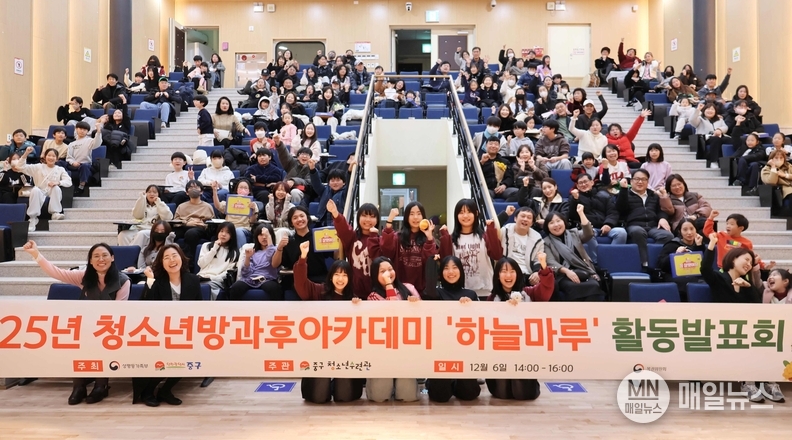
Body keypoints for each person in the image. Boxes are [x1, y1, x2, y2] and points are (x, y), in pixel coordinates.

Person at [23, 241, 129, 404]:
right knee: (77, 341)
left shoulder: (123, 280)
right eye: (96, 256)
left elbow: (119, 310)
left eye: (104, 255)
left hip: (110, 327)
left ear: (112, 258)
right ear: (90, 261)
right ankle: (78, 386)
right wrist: (36, 254)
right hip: (86, 325)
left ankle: (101, 385)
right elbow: (56, 272)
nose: (101, 259)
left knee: (103, 343)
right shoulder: (83, 276)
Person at [294, 240, 365, 403]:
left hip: (345, 351)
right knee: (318, 397)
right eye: (337, 274)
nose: (340, 279)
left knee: (344, 397)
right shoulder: (319, 290)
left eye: (345, 275)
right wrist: (303, 258)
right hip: (320, 349)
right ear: (331, 276)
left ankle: (335, 385)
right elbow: (301, 285)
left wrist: (358, 307)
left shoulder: (354, 298)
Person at [701, 235, 766, 403]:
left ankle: (761, 381)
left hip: (743, 328)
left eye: (751, 262)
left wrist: (748, 287)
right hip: (721, 327)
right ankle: (748, 383)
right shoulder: (719, 278)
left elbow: (757, 307)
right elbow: (705, 270)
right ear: (733, 258)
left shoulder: (746, 284)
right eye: (746, 259)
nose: (749, 264)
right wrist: (712, 244)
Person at [134, 244, 200, 407]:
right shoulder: (156, 281)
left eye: (174, 256)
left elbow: (200, 307)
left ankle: (165, 390)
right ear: (161, 263)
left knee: (188, 358)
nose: (171, 260)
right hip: (160, 332)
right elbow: (145, 305)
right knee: (163, 358)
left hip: (185, 331)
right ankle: (148, 391)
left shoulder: (192, 280)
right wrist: (150, 280)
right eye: (166, 257)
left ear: (181, 258)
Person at [484, 254, 552, 401]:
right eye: (504, 271)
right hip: (500, 353)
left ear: (518, 274)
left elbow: (546, 289)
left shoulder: (529, 293)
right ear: (497, 276)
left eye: (512, 271)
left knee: (523, 394)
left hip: (523, 352)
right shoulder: (492, 299)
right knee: (502, 394)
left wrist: (544, 267)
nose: (508, 275)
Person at [422, 254, 480, 402]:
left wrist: (470, 306)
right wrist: (431, 263)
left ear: (461, 270)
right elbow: (429, 289)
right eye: (446, 268)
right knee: (440, 397)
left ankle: (456, 381)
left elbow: (480, 322)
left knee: (470, 394)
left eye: (454, 267)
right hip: (441, 351)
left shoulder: (471, 294)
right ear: (441, 272)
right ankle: (433, 381)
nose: (451, 272)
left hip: (465, 351)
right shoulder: (436, 293)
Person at [365, 256, 420, 402]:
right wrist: (389, 284)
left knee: (408, 397)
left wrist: (415, 304)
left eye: (390, 269)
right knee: (379, 397)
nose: (387, 273)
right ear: (375, 276)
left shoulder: (409, 288)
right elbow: (392, 311)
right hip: (383, 351)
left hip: (406, 349)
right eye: (382, 271)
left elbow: (422, 315)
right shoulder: (372, 297)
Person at [438, 199, 503, 295]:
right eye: (461, 212)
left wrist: (491, 230)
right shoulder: (451, 239)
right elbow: (445, 262)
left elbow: (497, 255)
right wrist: (444, 236)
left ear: (476, 213)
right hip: (460, 291)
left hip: (485, 290)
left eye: (469, 212)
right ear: (456, 215)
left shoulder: (484, 236)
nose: (465, 216)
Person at [542, 208, 605, 301]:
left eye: (558, 221)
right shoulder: (546, 242)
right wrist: (567, 271)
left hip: (583, 271)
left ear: (564, 222)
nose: (556, 225)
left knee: (594, 285)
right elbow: (550, 261)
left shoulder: (574, 233)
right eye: (551, 223)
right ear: (547, 227)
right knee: (572, 286)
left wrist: (581, 213)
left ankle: (589, 310)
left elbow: (589, 233)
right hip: (562, 275)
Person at [616, 170, 673, 267]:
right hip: (634, 225)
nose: (640, 182)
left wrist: (662, 218)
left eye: (643, 179)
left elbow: (661, 210)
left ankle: (656, 261)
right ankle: (644, 263)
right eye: (637, 179)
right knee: (638, 232)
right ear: (631, 181)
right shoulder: (625, 194)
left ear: (647, 182)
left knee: (668, 236)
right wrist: (624, 190)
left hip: (653, 226)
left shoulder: (653, 195)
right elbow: (620, 208)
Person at [376, 202, 437, 293]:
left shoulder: (428, 239)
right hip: (400, 290)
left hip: (421, 291)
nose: (415, 217)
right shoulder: (398, 237)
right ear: (407, 217)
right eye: (411, 214)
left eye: (419, 214)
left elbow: (430, 262)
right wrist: (389, 221)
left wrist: (429, 238)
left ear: (423, 217)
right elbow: (387, 250)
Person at [568, 173, 626, 264]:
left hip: (605, 226)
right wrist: (575, 200)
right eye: (580, 183)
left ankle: (611, 259)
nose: (583, 184)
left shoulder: (604, 195)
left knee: (621, 232)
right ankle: (596, 263)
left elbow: (612, 212)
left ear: (592, 182)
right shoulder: (575, 198)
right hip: (589, 228)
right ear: (577, 186)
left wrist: (608, 224)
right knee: (588, 234)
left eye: (585, 182)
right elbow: (572, 216)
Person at [327, 199, 380, 298]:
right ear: (358, 218)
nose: (368, 220)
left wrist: (374, 235)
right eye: (364, 215)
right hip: (354, 291)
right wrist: (335, 213)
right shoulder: (352, 237)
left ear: (377, 220)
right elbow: (343, 227)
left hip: (376, 291)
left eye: (372, 216)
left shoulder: (380, 240)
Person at [13, 148, 71, 231]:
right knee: (35, 189)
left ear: (57, 159)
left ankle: (55, 213)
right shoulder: (38, 167)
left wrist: (58, 182)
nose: (51, 158)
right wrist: (26, 153)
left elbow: (69, 182)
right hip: (39, 191)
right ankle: (33, 218)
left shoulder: (60, 169)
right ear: (45, 157)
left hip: (51, 191)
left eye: (53, 156)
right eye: (49, 155)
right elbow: (20, 167)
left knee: (56, 188)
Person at [227, 223, 283, 300]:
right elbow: (245, 273)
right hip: (251, 279)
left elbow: (271, 258)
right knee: (236, 287)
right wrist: (247, 257)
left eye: (266, 235)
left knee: (273, 288)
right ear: (256, 237)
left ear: (271, 236)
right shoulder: (253, 251)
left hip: (268, 279)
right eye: (261, 235)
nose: (264, 237)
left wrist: (269, 238)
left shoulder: (276, 249)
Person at [173, 180, 215, 265]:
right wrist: (187, 223)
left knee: (191, 233)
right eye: (191, 187)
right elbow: (175, 221)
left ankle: (189, 262)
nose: (193, 189)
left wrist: (203, 224)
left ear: (201, 191)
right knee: (171, 233)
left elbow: (212, 222)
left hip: (200, 228)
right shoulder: (181, 206)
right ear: (187, 192)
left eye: (196, 187)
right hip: (184, 226)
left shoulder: (207, 206)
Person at [497, 206, 544, 280]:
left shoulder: (537, 239)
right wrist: (505, 214)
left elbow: (538, 260)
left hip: (527, 274)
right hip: (507, 271)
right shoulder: (505, 231)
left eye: (529, 217)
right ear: (515, 218)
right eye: (522, 216)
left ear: (532, 223)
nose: (525, 219)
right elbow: (490, 228)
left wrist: (536, 272)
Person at [65, 117, 107, 194]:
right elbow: (69, 157)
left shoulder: (89, 141)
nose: (82, 131)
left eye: (84, 130)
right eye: (80, 129)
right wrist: (73, 163)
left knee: (85, 166)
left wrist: (98, 132)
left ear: (87, 131)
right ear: (76, 129)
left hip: (86, 166)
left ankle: (81, 186)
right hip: (74, 165)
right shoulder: (71, 144)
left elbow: (97, 143)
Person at [213, 179, 257, 245]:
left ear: (249, 191)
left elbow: (252, 221)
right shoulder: (230, 200)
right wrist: (214, 191)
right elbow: (218, 206)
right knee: (222, 231)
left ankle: (239, 251)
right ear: (237, 190)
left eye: (245, 188)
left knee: (238, 231)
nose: (243, 189)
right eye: (241, 187)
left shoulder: (252, 204)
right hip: (229, 227)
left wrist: (252, 210)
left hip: (243, 228)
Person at [480, 136, 518, 200]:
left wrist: (504, 185)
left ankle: (506, 205)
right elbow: (475, 176)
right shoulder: (479, 161)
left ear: (499, 147)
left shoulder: (505, 161)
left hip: (503, 189)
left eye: (496, 144)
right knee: (483, 194)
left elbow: (510, 177)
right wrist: (482, 163)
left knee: (517, 192)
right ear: (486, 146)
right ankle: (492, 206)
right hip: (488, 189)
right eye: (491, 144)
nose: (493, 146)